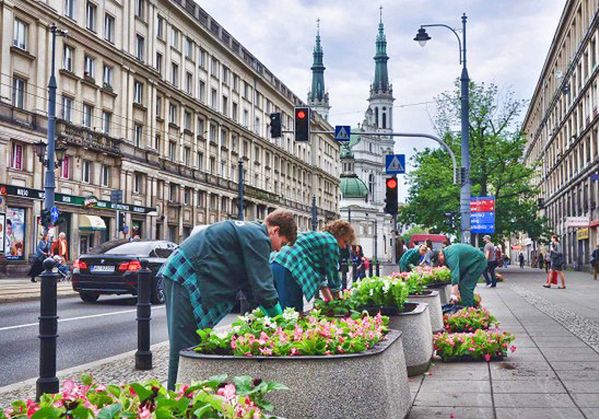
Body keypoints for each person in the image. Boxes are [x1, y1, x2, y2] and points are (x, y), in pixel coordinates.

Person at [159, 209, 297, 390]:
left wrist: (264, 317)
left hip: (187, 273)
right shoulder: (259, 238)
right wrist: (281, 323)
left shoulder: (252, 233)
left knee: (194, 343)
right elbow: (264, 289)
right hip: (184, 275)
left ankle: (187, 396)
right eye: (283, 243)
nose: (279, 249)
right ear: (275, 231)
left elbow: (252, 287)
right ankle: (175, 401)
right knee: (185, 347)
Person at [271, 220, 355, 311]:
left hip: (275, 263)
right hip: (290, 267)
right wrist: (338, 304)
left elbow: (321, 281)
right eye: (345, 242)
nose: (344, 247)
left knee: (279, 308)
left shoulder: (319, 238)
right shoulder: (331, 242)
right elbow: (333, 275)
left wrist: (329, 301)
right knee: (293, 312)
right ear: (339, 234)